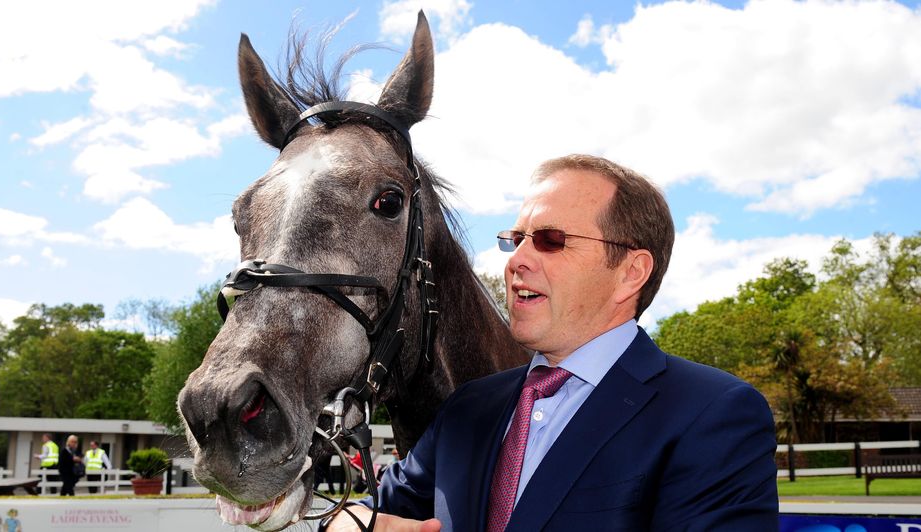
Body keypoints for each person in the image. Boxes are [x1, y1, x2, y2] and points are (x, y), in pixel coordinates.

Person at [326, 154, 778, 531]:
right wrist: (346, 525)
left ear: (631, 272)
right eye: (517, 239)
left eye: (550, 241)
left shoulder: (714, 414)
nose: (517, 261)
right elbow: (368, 511)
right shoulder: (467, 409)